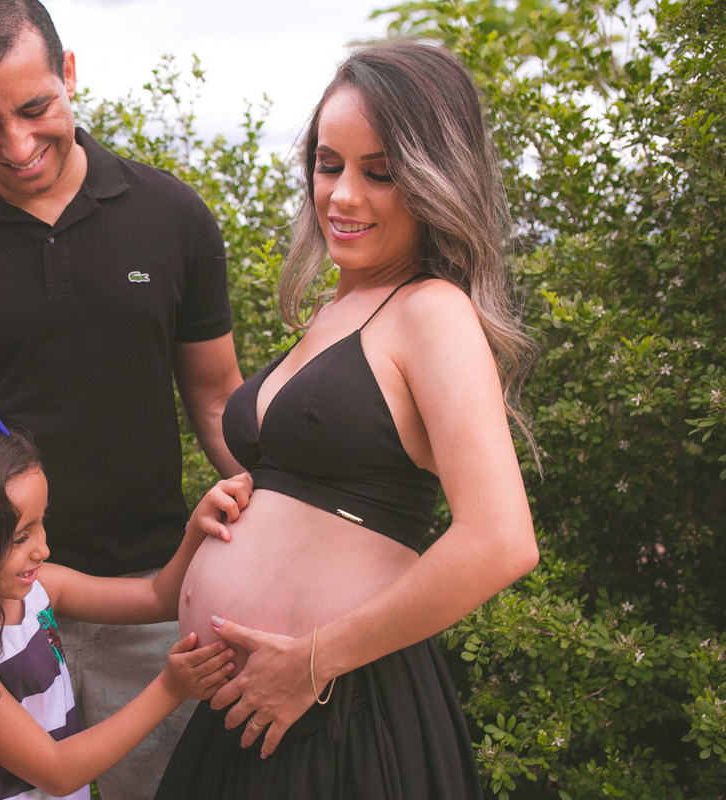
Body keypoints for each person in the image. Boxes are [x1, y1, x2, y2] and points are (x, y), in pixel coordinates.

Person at [0, 3, 243, 796]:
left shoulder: (172, 217)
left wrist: (279, 532)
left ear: (68, 73)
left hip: (146, 602)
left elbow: (216, 400)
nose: (18, 146)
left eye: (36, 109)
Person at [155, 41, 540, 799]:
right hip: (250, 711)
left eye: (380, 173)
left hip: (343, 714)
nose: (342, 195)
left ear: (436, 181)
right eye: (329, 165)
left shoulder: (433, 311)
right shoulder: (340, 310)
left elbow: (500, 541)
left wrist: (314, 659)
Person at [0, 394, 250, 799]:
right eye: (21, 536)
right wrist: (170, 688)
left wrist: (197, 528)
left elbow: (156, 596)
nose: (42, 549)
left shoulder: (41, 591)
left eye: (42, 523)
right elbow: (57, 771)